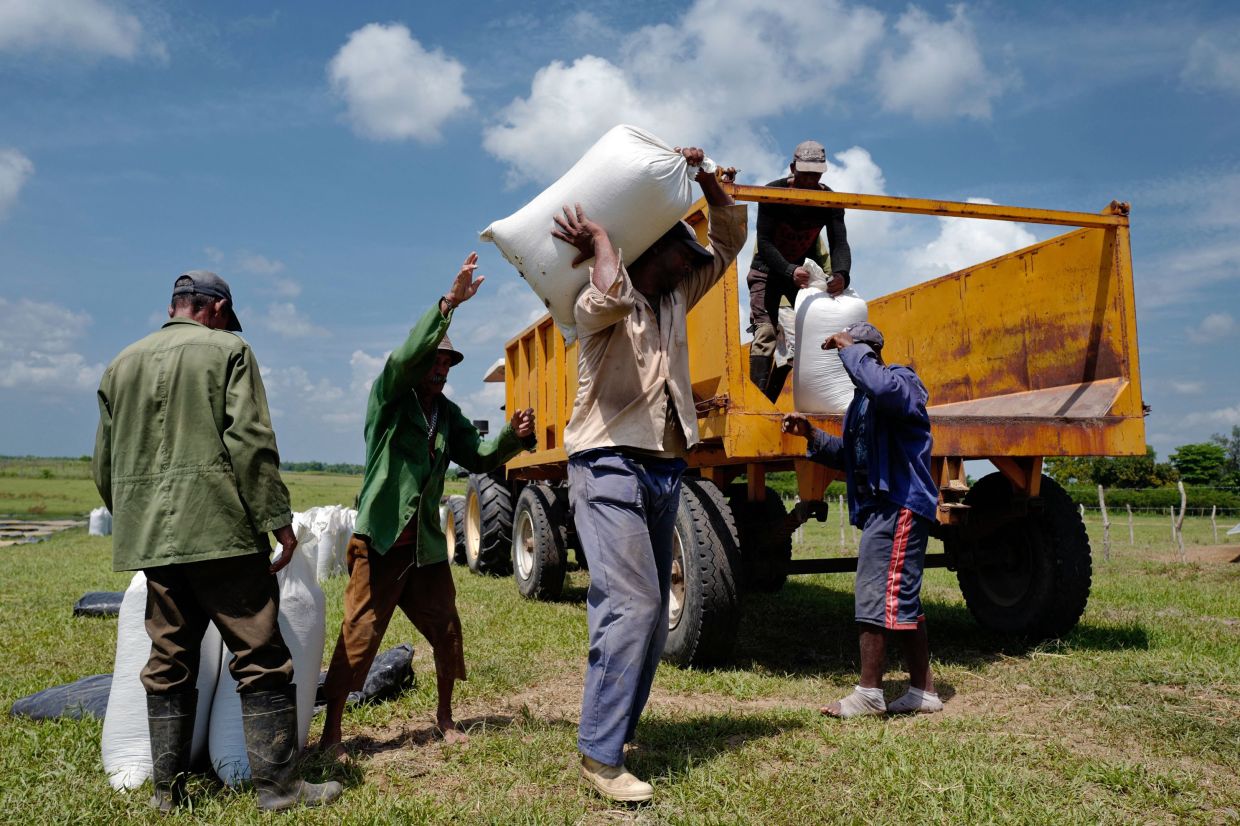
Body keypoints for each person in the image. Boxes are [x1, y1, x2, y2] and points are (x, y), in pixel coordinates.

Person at [92, 271, 342, 813]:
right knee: (260, 655)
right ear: (218, 309)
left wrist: (139, 521)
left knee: (169, 657)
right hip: (221, 533)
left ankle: (167, 793)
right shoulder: (229, 351)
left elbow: (104, 466)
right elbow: (249, 441)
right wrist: (278, 522)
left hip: (155, 541)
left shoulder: (121, 364)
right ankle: (279, 790)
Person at [549, 146, 746, 802]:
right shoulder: (597, 304)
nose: (690, 268)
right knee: (631, 604)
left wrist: (710, 180)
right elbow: (606, 289)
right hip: (607, 466)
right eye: (678, 257)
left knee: (649, 606)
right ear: (649, 254)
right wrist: (603, 238)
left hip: (663, 468)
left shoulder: (673, 297)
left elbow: (730, 238)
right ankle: (600, 758)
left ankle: (620, 732)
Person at [317, 253, 536, 758]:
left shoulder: (449, 415)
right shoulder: (389, 401)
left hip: (427, 551)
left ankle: (444, 717)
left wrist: (513, 437)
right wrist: (448, 304)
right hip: (383, 540)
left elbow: (478, 455)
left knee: (446, 630)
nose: (439, 369)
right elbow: (399, 361)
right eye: (432, 361)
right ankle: (332, 733)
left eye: (445, 363)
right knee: (359, 634)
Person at [781, 322, 944, 718]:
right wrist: (812, 436)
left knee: (873, 592)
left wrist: (851, 348)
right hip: (882, 506)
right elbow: (852, 456)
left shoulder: (902, 382)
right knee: (899, 596)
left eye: (852, 354)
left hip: (900, 502)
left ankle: (870, 693)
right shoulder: (861, 403)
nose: (846, 363)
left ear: (869, 353)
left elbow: (885, 388)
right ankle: (923, 692)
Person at [748, 139, 853, 401]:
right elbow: (764, 242)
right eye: (804, 174)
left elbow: (839, 243)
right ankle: (756, 402)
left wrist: (841, 274)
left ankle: (772, 399)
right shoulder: (773, 193)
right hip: (769, 269)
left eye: (815, 175)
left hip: (800, 276)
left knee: (806, 337)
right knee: (766, 333)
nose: (809, 181)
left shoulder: (829, 201)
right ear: (793, 168)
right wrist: (787, 269)